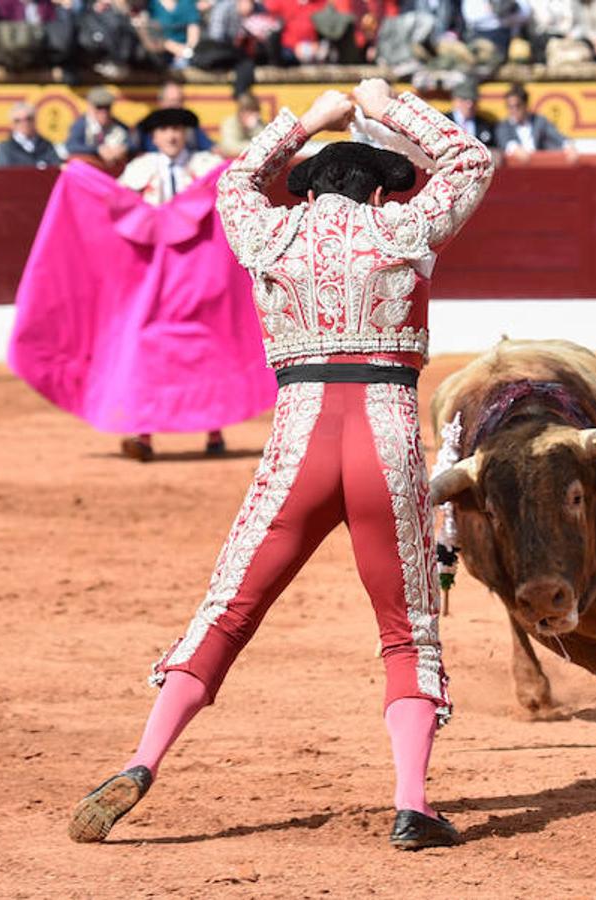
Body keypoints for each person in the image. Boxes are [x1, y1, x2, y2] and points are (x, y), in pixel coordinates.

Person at [67, 78, 494, 851]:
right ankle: (411, 805)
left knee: (227, 611)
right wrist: (390, 105)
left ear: (308, 190)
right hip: (386, 437)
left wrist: (307, 120)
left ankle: (141, 760)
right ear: (374, 187)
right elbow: (469, 158)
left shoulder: (270, 236)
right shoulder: (403, 230)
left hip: (298, 438)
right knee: (409, 633)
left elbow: (232, 179)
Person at [115, 106, 228, 460]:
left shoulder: (205, 165)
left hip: (199, 275)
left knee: (204, 346)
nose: (172, 135)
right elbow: (117, 209)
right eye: (165, 130)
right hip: (155, 277)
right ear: (154, 136)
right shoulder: (140, 169)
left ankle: (214, 429)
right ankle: (144, 432)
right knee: (151, 349)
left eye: (177, 129)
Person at [497, 82, 577, 162]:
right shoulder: (504, 126)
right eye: (510, 107)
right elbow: (505, 141)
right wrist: (515, 148)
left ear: (525, 105)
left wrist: (569, 146)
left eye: (517, 106)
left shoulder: (539, 121)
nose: (514, 110)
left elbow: (557, 137)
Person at [135, 77, 214, 153]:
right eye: (171, 101)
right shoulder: (146, 125)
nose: (174, 106)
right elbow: (131, 150)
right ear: (160, 102)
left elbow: (211, 148)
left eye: (178, 101)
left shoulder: (190, 127)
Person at [65, 86, 133, 168]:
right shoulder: (81, 124)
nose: (103, 112)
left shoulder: (119, 125)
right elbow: (72, 146)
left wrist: (123, 149)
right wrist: (98, 150)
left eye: (107, 108)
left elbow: (134, 143)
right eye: (99, 107)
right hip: (91, 167)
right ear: (90, 107)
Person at [0, 101, 62, 168]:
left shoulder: (46, 145)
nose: (24, 124)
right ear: (12, 124)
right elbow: (3, 174)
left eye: (28, 119)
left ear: (35, 120)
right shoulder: (6, 148)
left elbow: (56, 169)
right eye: (17, 121)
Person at [448, 79, 498, 149]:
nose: (470, 105)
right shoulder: (443, 121)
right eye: (465, 99)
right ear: (455, 101)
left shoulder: (485, 125)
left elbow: (494, 149)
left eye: (473, 100)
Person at [216, 91, 266, 157]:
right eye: (251, 111)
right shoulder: (229, 123)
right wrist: (255, 145)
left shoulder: (259, 124)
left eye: (256, 111)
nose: (256, 115)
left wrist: (254, 128)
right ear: (241, 112)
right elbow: (230, 148)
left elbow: (266, 144)